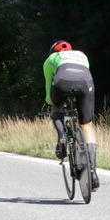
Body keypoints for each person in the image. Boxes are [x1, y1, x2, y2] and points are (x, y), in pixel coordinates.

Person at [44, 40, 99, 189]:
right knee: (87, 125)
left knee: (56, 106)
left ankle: (62, 136)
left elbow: (49, 92)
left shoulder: (51, 59)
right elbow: (79, 80)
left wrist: (54, 103)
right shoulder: (82, 56)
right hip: (85, 83)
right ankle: (92, 171)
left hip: (62, 81)